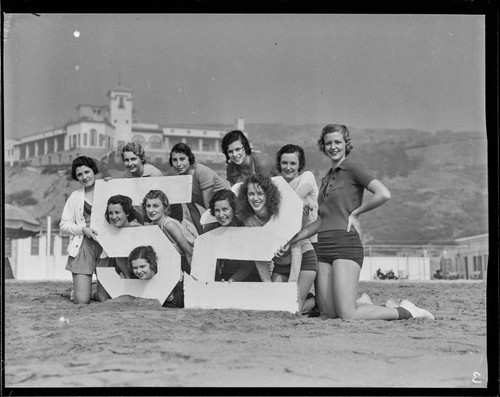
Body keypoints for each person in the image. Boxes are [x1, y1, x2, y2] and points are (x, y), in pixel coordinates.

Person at [277, 124, 434, 320]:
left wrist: (357, 212)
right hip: (324, 248)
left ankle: (408, 311)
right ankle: (366, 303)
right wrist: (294, 238)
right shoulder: (325, 178)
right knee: (329, 313)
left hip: (345, 245)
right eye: (328, 143)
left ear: (346, 144)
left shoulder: (352, 168)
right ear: (323, 146)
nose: (333, 147)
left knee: (348, 314)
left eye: (337, 142)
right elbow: (320, 220)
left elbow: (383, 193)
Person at [276, 144, 319, 312]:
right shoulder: (276, 184)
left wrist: (304, 202)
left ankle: (314, 300)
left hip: (313, 244)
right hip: (288, 246)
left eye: (293, 163)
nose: (288, 167)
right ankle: (307, 299)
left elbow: (295, 197)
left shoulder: (306, 177)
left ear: (299, 165)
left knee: (325, 302)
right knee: (280, 302)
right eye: (284, 163)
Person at [60, 156, 107, 304]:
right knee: (81, 301)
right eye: (80, 174)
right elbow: (64, 225)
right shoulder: (75, 197)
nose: (85, 177)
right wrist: (83, 229)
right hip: (83, 247)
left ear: (94, 170)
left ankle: (93, 289)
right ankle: (80, 290)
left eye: (87, 172)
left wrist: (114, 185)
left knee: (104, 299)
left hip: (106, 246)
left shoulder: (107, 188)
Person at [169, 142, 230, 234]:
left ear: (189, 159)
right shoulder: (181, 181)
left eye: (182, 159)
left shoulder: (201, 172)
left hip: (229, 208)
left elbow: (209, 207)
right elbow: (193, 211)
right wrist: (201, 235)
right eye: (175, 160)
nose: (178, 164)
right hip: (215, 212)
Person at [207, 189, 259, 282]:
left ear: (234, 208)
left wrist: (230, 282)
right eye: (217, 210)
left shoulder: (245, 227)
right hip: (222, 278)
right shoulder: (210, 230)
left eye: (225, 209)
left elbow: (247, 266)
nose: (221, 215)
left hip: (249, 278)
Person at [142, 189, 194, 274]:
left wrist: (197, 279)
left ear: (165, 207)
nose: (151, 210)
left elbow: (189, 253)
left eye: (155, 206)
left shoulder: (169, 225)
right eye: (148, 206)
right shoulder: (154, 227)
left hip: (193, 263)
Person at [105, 194, 143, 279]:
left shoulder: (136, 229)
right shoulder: (114, 234)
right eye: (110, 213)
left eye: (117, 212)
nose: (113, 217)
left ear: (127, 213)